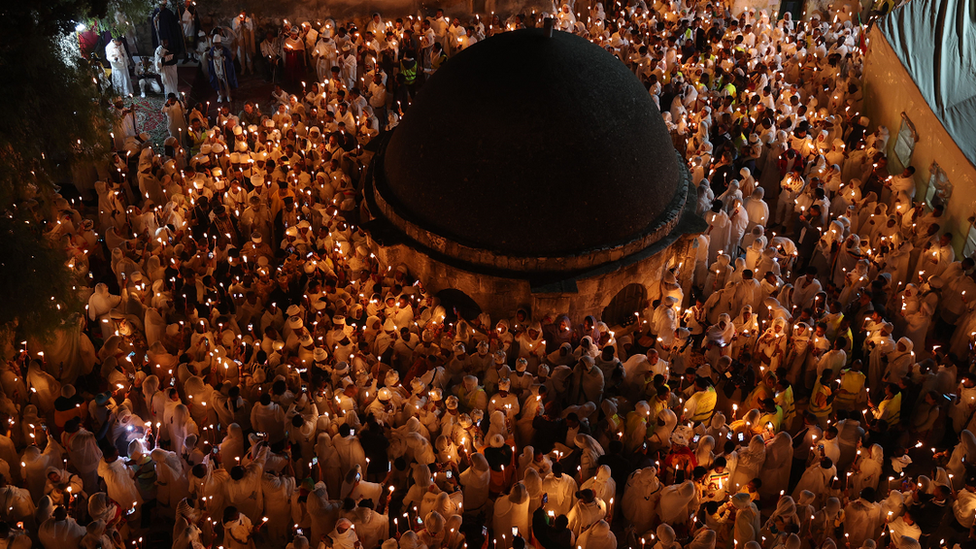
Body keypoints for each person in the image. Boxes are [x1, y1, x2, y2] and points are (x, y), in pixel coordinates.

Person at [208, 35, 237, 103]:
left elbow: (229, 60)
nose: (216, 45)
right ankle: (220, 95)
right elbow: (210, 59)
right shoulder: (212, 50)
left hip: (223, 69)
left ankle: (228, 95)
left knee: (226, 82)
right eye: (215, 44)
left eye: (217, 44)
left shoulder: (225, 50)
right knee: (218, 83)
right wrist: (209, 58)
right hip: (216, 68)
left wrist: (224, 58)